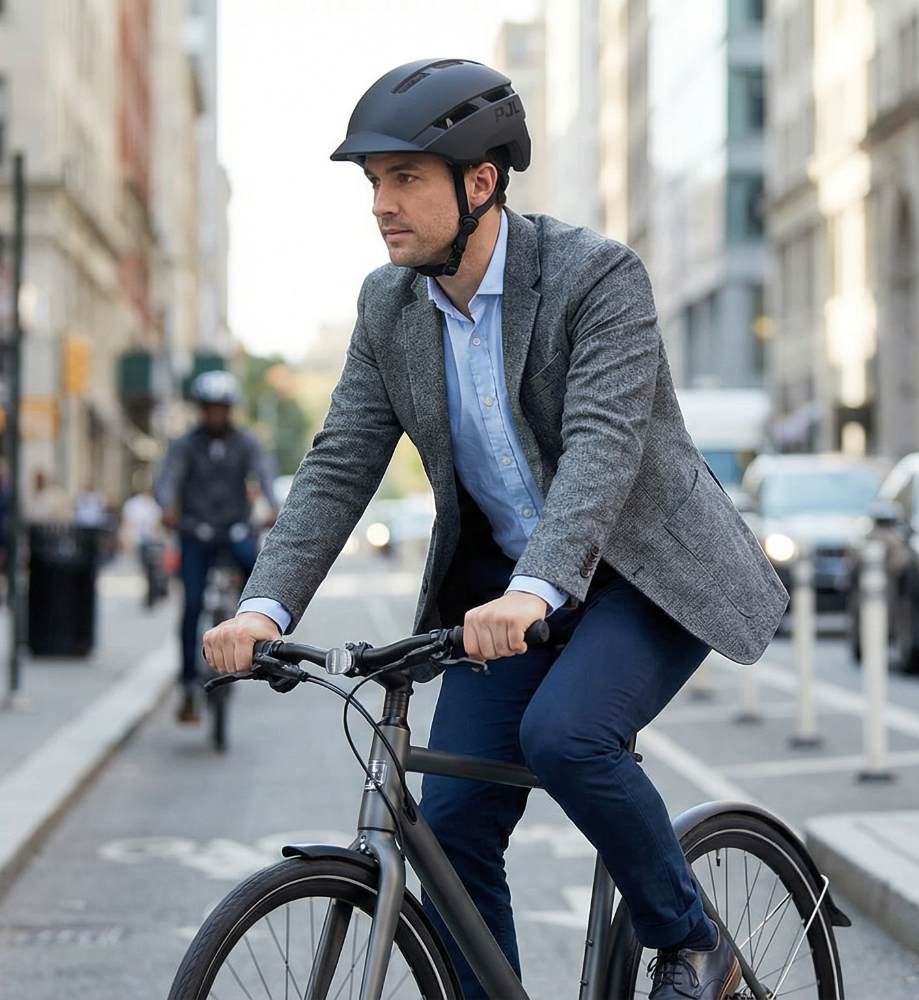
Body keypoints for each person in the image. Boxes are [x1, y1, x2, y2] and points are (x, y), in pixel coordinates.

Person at [203, 59, 787, 1000]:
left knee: (567, 735)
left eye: (404, 179)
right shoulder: (388, 306)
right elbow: (339, 463)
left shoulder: (596, 276)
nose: (381, 204)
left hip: (644, 574)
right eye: (374, 183)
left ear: (481, 184)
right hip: (511, 593)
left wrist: (535, 588)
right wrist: (263, 606)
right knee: (456, 822)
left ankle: (694, 943)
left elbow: (601, 452)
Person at [156, 369, 278, 723]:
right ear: (200, 409)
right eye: (209, 408)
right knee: (192, 604)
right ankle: (188, 684)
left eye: (221, 408)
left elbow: (264, 472)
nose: (215, 414)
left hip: (235, 529)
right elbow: (168, 480)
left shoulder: (246, 442)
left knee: (258, 582)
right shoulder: (184, 445)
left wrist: (272, 505)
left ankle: (250, 630)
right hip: (195, 531)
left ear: (230, 409)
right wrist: (167, 508)